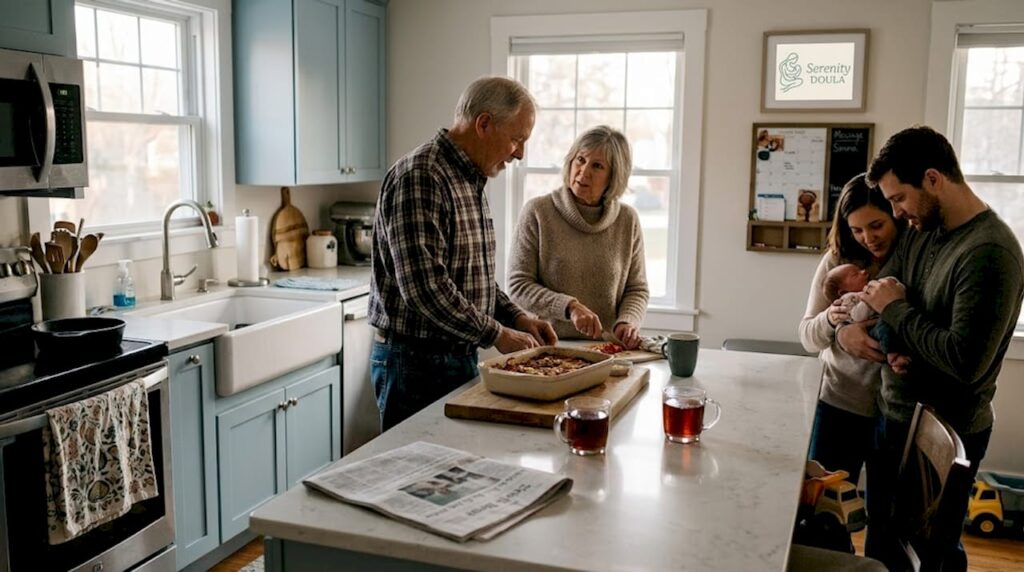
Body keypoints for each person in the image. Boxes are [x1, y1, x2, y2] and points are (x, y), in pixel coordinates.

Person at [842, 125, 1024, 570]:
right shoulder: (925, 229)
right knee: (884, 542)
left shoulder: (990, 253)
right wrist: (883, 338)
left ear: (933, 179)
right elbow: (881, 300)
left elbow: (965, 362)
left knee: (932, 556)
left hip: (949, 432)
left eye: (899, 198)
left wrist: (897, 313)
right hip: (895, 414)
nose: (898, 212)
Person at [369, 76, 558, 431]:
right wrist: (497, 334)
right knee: (415, 479)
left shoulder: (469, 178)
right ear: (484, 124)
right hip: (414, 365)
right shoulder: (421, 176)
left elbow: (473, 278)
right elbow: (426, 289)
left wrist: (517, 317)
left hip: (452, 358)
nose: (519, 153)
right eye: (517, 139)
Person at [799, 173, 904, 494]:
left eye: (876, 226)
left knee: (885, 514)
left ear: (895, 214)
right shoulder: (837, 261)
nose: (867, 238)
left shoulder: (910, 260)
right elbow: (806, 335)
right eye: (856, 230)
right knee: (825, 502)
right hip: (838, 404)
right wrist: (838, 329)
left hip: (894, 411)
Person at [507, 125, 649, 349]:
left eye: (598, 166)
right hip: (549, 347)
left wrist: (627, 322)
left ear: (614, 177)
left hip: (607, 350)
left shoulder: (627, 220)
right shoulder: (537, 211)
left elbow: (636, 289)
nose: (584, 172)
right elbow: (518, 286)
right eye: (580, 160)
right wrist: (569, 307)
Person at [822, 263, 902, 354]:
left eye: (859, 269)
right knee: (885, 331)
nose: (864, 271)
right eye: (855, 274)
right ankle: (893, 356)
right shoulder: (847, 300)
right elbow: (858, 316)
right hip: (870, 331)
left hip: (882, 321)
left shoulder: (864, 290)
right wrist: (870, 299)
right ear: (843, 292)